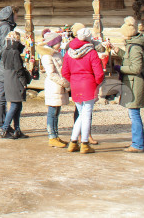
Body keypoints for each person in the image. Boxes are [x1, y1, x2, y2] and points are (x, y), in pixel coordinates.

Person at [62, 25, 104, 154]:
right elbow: (99, 72)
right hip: (88, 83)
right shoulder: (91, 52)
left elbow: (65, 72)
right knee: (86, 114)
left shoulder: (69, 53)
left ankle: (73, 141)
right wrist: (96, 83)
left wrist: (73, 80)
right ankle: (84, 143)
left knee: (81, 114)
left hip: (75, 84)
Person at [115, 17, 144, 153]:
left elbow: (136, 68)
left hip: (135, 84)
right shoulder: (133, 45)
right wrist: (118, 52)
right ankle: (137, 142)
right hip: (133, 83)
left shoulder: (135, 48)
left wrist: (119, 68)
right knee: (133, 114)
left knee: (134, 114)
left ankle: (138, 144)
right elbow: (130, 60)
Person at [39, 32, 70, 148]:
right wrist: (65, 82)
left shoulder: (56, 54)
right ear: (53, 43)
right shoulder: (47, 56)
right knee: (52, 112)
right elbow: (52, 74)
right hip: (54, 86)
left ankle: (56, 135)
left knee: (57, 112)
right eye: (58, 42)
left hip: (59, 85)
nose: (60, 44)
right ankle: (51, 136)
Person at [0, 31, 29, 139]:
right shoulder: (14, 51)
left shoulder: (6, 50)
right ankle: (5, 129)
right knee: (15, 105)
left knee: (18, 105)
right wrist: (24, 82)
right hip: (14, 78)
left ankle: (17, 129)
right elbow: (18, 68)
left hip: (8, 77)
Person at [0, 6, 18, 133]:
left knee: (2, 97)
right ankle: (1, 126)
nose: (17, 17)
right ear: (10, 15)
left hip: (3, 66)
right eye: (16, 15)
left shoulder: (3, 26)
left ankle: (4, 125)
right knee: (2, 98)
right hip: (4, 67)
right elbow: (5, 48)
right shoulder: (5, 27)